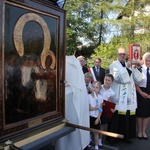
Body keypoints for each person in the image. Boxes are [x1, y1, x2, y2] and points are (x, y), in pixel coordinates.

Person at [107, 47, 143, 143]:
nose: (122, 55)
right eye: (120, 54)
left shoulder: (130, 65)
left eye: (124, 54)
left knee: (128, 117)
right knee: (117, 119)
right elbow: (119, 79)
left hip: (129, 98)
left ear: (126, 55)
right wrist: (127, 67)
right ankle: (114, 139)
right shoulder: (113, 66)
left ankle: (127, 137)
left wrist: (136, 68)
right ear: (117, 55)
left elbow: (139, 79)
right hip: (119, 99)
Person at [136, 52, 150, 140]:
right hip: (140, 93)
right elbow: (136, 83)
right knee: (140, 114)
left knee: (147, 114)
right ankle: (139, 131)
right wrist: (141, 93)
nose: (148, 62)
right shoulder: (139, 69)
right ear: (143, 60)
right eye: (146, 60)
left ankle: (144, 131)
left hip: (149, 94)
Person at [99, 73, 115, 147]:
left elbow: (109, 102)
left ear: (112, 82)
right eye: (106, 80)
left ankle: (100, 139)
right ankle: (90, 138)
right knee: (94, 123)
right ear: (103, 80)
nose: (107, 81)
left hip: (104, 110)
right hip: (96, 108)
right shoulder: (99, 87)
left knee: (102, 125)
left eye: (109, 80)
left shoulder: (112, 92)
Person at [88, 81, 103, 150]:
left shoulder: (100, 97)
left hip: (96, 117)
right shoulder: (88, 96)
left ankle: (96, 146)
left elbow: (100, 109)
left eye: (97, 88)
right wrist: (95, 108)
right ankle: (88, 143)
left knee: (96, 132)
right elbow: (89, 108)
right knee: (88, 131)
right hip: (89, 117)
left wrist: (98, 118)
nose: (94, 89)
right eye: (93, 87)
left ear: (99, 89)